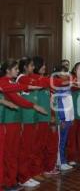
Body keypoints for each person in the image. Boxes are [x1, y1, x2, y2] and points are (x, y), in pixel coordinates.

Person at [0, 59, 46, 190]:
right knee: (9, 153)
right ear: (8, 70)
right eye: (15, 69)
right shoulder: (3, 81)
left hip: (15, 121)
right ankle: (7, 182)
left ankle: (12, 180)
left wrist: (33, 105)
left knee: (14, 152)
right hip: (7, 122)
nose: (18, 70)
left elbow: (18, 100)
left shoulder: (11, 82)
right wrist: (30, 89)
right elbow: (16, 97)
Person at [52, 66, 75, 171]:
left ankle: (63, 160)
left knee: (64, 141)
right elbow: (59, 104)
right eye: (62, 73)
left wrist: (72, 117)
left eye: (66, 73)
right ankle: (60, 162)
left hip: (68, 118)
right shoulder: (58, 88)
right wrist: (61, 119)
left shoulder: (68, 87)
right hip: (62, 118)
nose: (65, 75)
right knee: (60, 141)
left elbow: (69, 104)